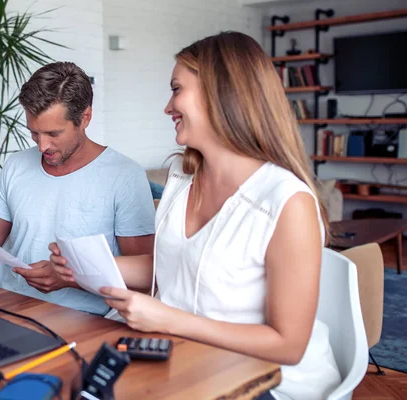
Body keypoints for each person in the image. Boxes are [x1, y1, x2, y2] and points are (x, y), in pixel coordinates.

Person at [50, 33, 341, 399]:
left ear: (222, 93)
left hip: (266, 380)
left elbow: (288, 345)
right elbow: (173, 264)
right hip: (189, 355)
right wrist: (89, 266)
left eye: (177, 89)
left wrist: (168, 319)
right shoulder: (182, 177)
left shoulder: (286, 201)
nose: (168, 107)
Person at [0, 61, 155, 316]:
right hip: (8, 303)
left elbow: (145, 278)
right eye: (34, 133)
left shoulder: (124, 176)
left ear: (85, 118)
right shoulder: (16, 165)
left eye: (53, 133)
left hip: (83, 318)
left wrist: (70, 278)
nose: (42, 146)